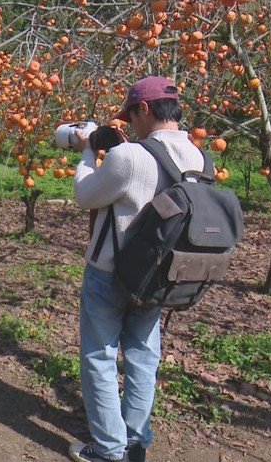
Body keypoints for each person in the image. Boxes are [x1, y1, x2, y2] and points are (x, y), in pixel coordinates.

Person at [68, 76, 206, 462]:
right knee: (144, 356)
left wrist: (86, 153)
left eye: (130, 116)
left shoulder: (129, 157)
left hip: (110, 273)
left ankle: (109, 451)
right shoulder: (198, 157)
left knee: (99, 355)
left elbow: (84, 194)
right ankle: (134, 444)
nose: (128, 125)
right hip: (159, 275)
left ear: (144, 109)